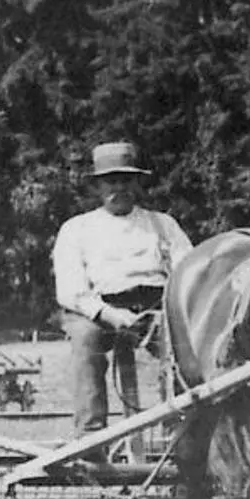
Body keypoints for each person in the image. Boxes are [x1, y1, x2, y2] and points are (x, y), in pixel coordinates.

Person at [53, 142, 194, 434]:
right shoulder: (77, 228)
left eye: (126, 180)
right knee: (85, 342)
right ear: (96, 188)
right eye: (111, 182)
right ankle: (91, 437)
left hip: (158, 307)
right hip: (99, 310)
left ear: (138, 183)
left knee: (186, 347)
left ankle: (183, 432)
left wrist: (169, 311)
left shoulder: (162, 224)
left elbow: (188, 271)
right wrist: (108, 314)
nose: (119, 188)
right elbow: (70, 288)